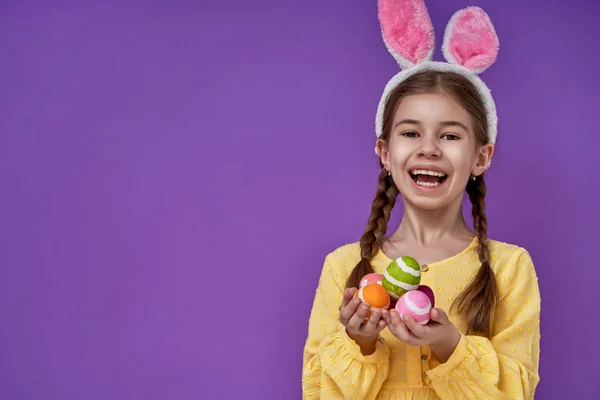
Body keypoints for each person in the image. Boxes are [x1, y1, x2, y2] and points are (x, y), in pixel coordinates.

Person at [301, 1, 541, 399]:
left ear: (481, 157)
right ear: (385, 152)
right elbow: (316, 392)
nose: (429, 149)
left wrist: (450, 346)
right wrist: (359, 343)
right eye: (411, 133)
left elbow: (517, 391)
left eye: (450, 136)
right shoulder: (342, 267)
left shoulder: (509, 268)